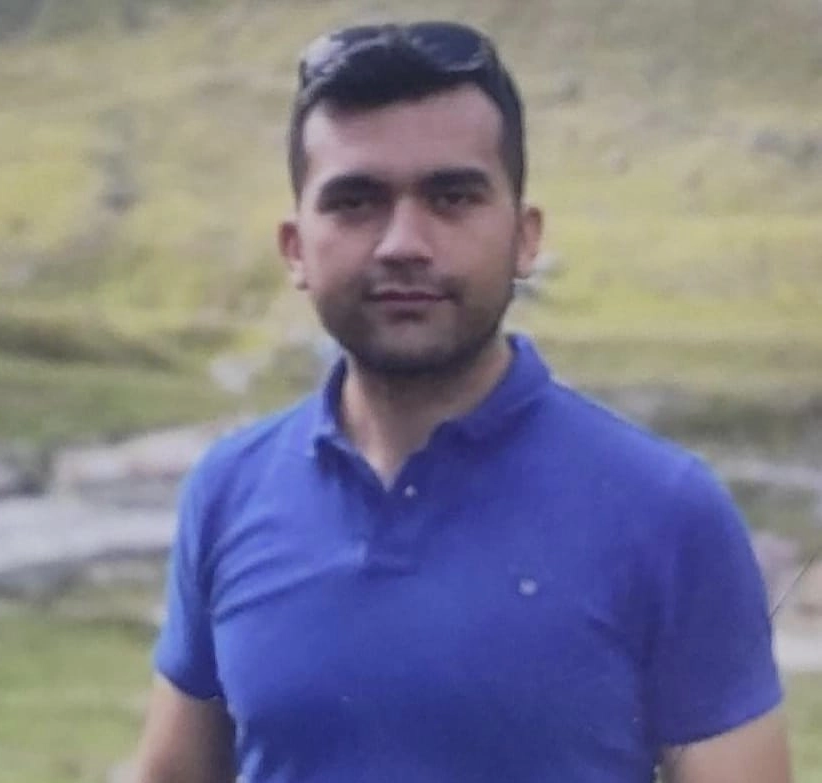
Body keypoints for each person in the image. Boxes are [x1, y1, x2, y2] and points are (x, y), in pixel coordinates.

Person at [133, 20, 791, 783]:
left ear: (525, 237)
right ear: (294, 247)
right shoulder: (228, 491)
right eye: (355, 201)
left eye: (451, 197)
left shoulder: (668, 513)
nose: (403, 242)